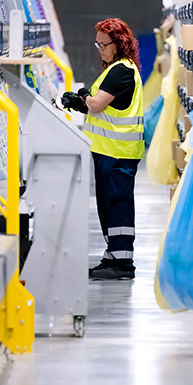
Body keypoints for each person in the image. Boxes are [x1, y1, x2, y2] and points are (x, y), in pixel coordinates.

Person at [61, 18, 144, 281]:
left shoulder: (122, 71)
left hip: (119, 153)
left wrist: (84, 95)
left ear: (118, 43)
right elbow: (99, 107)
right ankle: (112, 255)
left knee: (118, 206)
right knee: (108, 206)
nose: (100, 50)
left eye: (104, 44)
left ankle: (123, 264)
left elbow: (96, 104)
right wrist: (77, 102)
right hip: (108, 151)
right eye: (97, 44)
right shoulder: (114, 70)